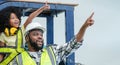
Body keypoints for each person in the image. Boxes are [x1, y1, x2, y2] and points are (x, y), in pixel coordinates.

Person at [9, 12, 94, 65]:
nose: (39, 37)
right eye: (35, 34)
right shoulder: (18, 59)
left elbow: (74, 44)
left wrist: (84, 27)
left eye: (41, 35)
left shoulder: (53, 52)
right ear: (27, 38)